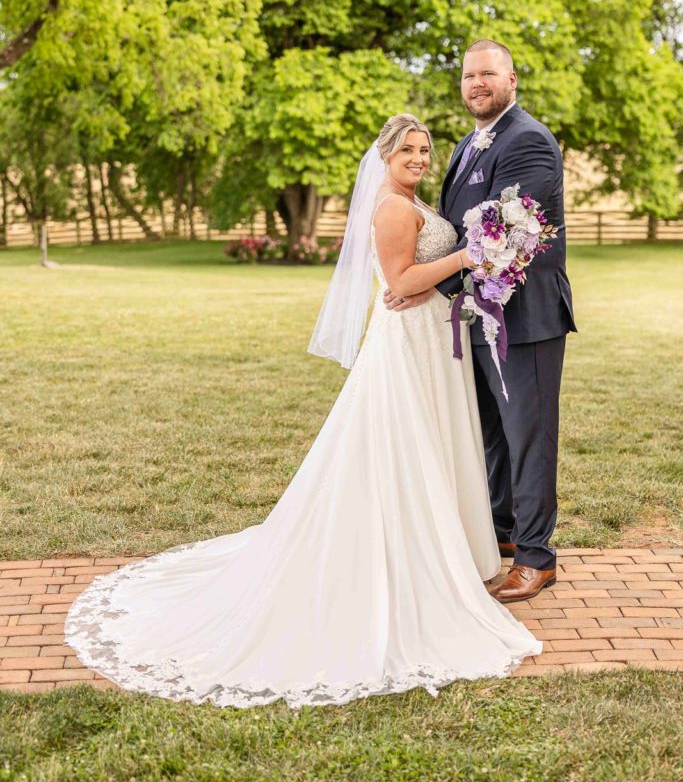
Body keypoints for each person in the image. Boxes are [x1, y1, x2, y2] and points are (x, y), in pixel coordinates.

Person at [65, 113, 541, 710]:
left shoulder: (411, 201)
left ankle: (450, 547)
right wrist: (469, 257)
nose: (419, 158)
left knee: (433, 446)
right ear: (385, 156)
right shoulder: (394, 208)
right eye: (408, 151)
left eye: (424, 150)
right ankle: (407, 558)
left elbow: (417, 279)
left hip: (429, 335)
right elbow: (400, 276)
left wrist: (461, 265)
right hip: (408, 347)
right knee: (406, 448)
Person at [385, 41, 576, 603]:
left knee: (529, 435)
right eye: (468, 76)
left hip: (527, 318)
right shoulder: (469, 143)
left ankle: (537, 558)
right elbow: (450, 225)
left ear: (511, 78)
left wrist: (426, 284)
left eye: (487, 74)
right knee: (491, 434)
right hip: (476, 315)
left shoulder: (530, 142)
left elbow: (497, 234)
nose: (476, 84)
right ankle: (504, 536)